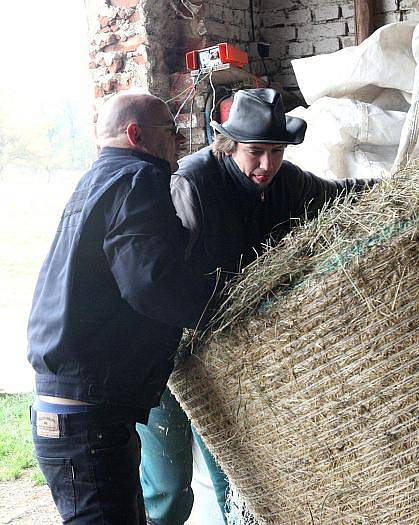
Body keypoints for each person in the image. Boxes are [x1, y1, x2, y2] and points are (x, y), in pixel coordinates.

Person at [138, 87, 375, 523]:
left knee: (237, 481)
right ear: (228, 147)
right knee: (168, 488)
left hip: (228, 359)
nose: (267, 165)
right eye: (255, 152)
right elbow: (157, 278)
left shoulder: (285, 182)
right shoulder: (191, 185)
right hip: (165, 349)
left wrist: (409, 183)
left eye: (277, 152)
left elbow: (340, 196)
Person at [27, 91, 217, 524]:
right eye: (171, 132)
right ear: (136, 135)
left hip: (72, 407)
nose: (179, 144)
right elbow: (150, 282)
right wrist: (216, 311)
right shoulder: (138, 178)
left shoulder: (95, 182)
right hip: (87, 415)